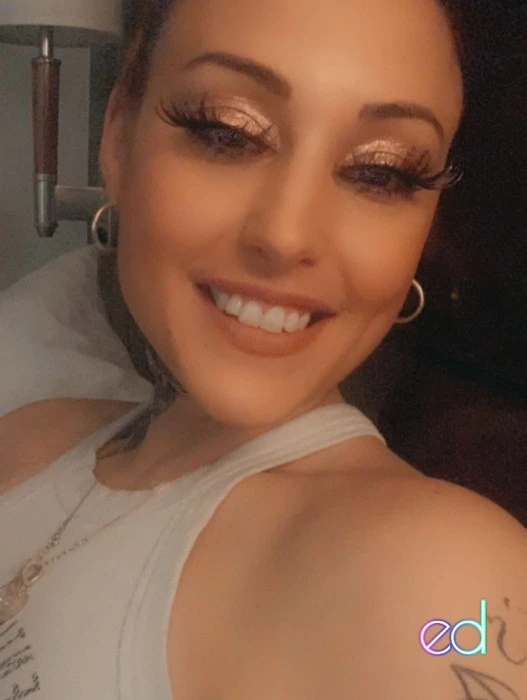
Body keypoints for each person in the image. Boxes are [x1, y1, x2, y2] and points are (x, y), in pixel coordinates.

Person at [1, 0, 526, 697]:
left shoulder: (441, 581)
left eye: (383, 171)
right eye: (227, 132)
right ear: (119, 134)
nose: (286, 235)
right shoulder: (38, 435)